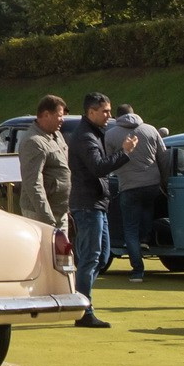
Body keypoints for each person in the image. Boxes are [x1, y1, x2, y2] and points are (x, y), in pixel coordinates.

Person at [67, 92, 132, 325]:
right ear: (91, 112)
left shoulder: (93, 134)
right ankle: (84, 310)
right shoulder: (85, 137)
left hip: (96, 203)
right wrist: (123, 153)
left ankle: (79, 302)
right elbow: (98, 167)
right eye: (105, 111)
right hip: (87, 205)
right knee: (90, 258)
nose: (109, 116)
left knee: (101, 257)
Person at [104, 103, 165, 280]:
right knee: (147, 210)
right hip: (152, 183)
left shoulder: (111, 134)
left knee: (130, 229)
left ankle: (137, 270)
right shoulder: (151, 130)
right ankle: (145, 239)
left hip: (128, 186)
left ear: (117, 117)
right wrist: (164, 180)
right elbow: (163, 156)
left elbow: (108, 162)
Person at [16, 96, 70, 233]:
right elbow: (33, 183)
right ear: (46, 114)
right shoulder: (33, 142)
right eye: (59, 116)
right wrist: (47, 219)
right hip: (41, 215)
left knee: (63, 254)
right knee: (45, 254)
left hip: (60, 211)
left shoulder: (57, 135)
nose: (62, 119)